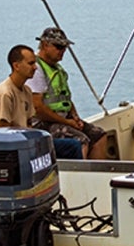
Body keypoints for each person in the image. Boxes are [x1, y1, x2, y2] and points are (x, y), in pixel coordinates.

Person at [0, 44, 82, 158]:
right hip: (13, 149)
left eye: (35, 63)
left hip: (27, 143)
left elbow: (29, 124)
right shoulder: (4, 94)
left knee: (71, 145)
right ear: (16, 66)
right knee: (73, 146)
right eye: (31, 64)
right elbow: (3, 132)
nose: (35, 67)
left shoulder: (26, 90)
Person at [27, 27, 108, 159]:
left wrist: (75, 117)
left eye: (64, 48)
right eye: (59, 47)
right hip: (43, 123)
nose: (62, 51)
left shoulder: (57, 69)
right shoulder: (37, 69)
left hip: (62, 119)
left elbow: (65, 99)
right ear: (44, 45)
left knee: (99, 135)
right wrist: (67, 122)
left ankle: (96, 174)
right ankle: (79, 177)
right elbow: (37, 108)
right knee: (81, 141)